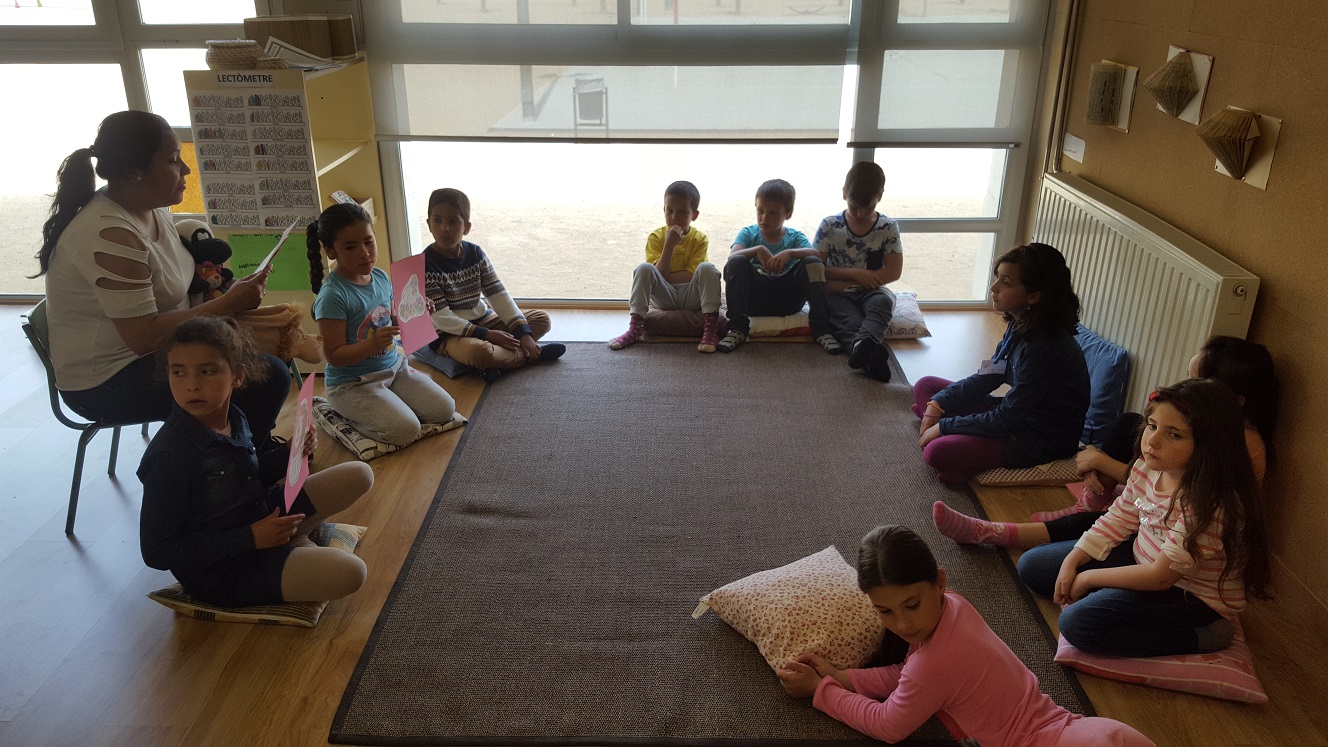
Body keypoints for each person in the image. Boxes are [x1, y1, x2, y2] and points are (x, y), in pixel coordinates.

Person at [36, 110, 289, 448]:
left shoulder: (151, 209)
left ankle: (242, 455)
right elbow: (143, 337)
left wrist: (222, 289)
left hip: (150, 355)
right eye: (172, 160)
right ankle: (244, 463)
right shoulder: (110, 234)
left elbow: (174, 284)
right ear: (133, 172)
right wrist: (228, 304)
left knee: (268, 353)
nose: (185, 170)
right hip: (107, 382)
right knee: (265, 377)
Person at [774, 525, 1154, 746]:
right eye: (884, 611)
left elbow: (887, 725)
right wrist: (844, 677)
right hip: (1085, 731)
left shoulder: (932, 665)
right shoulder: (954, 605)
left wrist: (822, 691)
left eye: (911, 605)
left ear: (939, 581)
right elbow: (911, 676)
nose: (902, 625)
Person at [933, 335, 1281, 545]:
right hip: (1151, 502)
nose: (1185, 387)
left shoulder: (1234, 443)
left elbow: (1171, 494)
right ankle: (1092, 499)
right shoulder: (1210, 426)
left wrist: (1100, 461)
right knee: (1130, 423)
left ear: (1234, 400)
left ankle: (994, 532)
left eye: (1195, 382)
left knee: (1085, 531)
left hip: (1168, 529)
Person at [1016, 379, 1271, 657]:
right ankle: (1110, 596)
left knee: (1077, 623)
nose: (1152, 441)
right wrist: (1074, 559)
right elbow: (1118, 518)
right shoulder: (1147, 466)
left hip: (1189, 594)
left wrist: (1089, 578)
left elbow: (1161, 578)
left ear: (1209, 445)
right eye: (1152, 426)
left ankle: (1204, 634)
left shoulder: (1210, 504)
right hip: (1143, 560)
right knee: (1033, 565)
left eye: (1174, 435)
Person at [138, 316, 372, 607]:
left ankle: (293, 545)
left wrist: (290, 452)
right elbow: (157, 552)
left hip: (258, 512)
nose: (192, 385)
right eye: (179, 372)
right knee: (351, 572)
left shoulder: (235, 416)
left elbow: (249, 474)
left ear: (237, 376)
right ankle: (295, 547)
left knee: (360, 474)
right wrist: (251, 538)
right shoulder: (168, 456)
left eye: (207, 371)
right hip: (224, 571)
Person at [913, 243, 1089, 484]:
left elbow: (1006, 419)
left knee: (936, 452)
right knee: (927, 387)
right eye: (998, 278)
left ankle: (960, 452)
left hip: (1035, 439)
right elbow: (990, 375)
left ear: (1034, 296)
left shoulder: (1046, 349)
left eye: (1005, 283)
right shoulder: (1020, 322)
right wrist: (938, 404)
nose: (993, 288)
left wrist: (946, 426)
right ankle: (957, 446)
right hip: (1015, 416)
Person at [307, 202, 459, 446]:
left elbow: (390, 321)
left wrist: (416, 312)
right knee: (405, 430)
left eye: (369, 242)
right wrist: (372, 344)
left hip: (394, 369)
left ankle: (389, 404)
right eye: (351, 247)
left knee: (444, 409)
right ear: (330, 251)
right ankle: (343, 415)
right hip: (352, 384)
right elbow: (334, 356)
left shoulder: (380, 276)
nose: (364, 253)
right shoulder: (333, 296)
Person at [409, 188, 565, 381]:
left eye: (453, 221)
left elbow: (498, 295)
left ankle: (499, 362)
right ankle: (531, 355)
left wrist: (524, 334)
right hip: (449, 334)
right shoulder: (424, 264)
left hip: (484, 319)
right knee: (479, 352)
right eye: (437, 221)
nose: (444, 228)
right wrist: (487, 335)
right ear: (429, 224)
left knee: (541, 319)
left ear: (466, 227)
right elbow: (442, 318)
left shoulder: (475, 253)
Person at [716, 179, 834, 354]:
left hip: (788, 299)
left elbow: (817, 256)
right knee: (736, 262)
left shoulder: (795, 237)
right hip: (754, 300)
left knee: (813, 263)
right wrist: (757, 250)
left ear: (788, 214)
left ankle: (822, 330)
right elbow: (732, 257)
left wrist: (790, 253)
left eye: (773, 213)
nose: (764, 217)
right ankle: (738, 329)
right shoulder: (748, 233)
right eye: (760, 211)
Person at [813, 161, 903, 382]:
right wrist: (855, 275)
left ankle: (860, 347)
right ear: (844, 193)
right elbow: (816, 268)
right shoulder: (830, 225)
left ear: (879, 197)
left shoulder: (888, 227)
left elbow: (894, 271)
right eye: (855, 207)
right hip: (838, 293)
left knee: (883, 303)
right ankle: (867, 354)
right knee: (847, 320)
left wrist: (866, 280)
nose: (861, 214)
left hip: (873, 289)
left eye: (868, 208)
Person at [608, 180, 722, 353]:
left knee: (708, 268)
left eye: (683, 212)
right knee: (643, 269)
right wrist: (669, 245)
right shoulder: (656, 237)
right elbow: (655, 273)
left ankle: (711, 330)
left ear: (694, 215)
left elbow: (691, 275)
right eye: (670, 211)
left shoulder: (700, 239)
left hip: (692, 297)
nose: (674, 217)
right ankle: (635, 329)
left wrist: (664, 276)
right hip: (664, 297)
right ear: (664, 210)